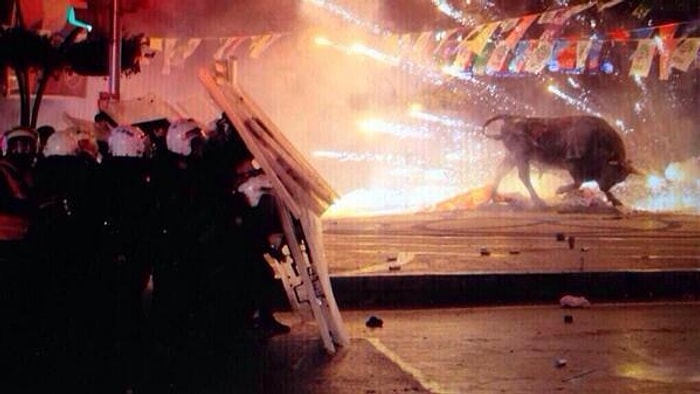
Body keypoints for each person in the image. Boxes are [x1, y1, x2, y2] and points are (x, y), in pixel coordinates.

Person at [230, 156, 290, 337]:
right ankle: (258, 320)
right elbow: (250, 235)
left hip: (246, 248)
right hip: (239, 250)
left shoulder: (247, 204)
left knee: (261, 277)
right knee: (260, 277)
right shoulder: (242, 204)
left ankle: (260, 319)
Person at [0, 126, 39, 375]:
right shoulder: (6, 173)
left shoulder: (27, 174)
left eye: (27, 145)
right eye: (18, 146)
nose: (23, 150)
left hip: (21, 253)